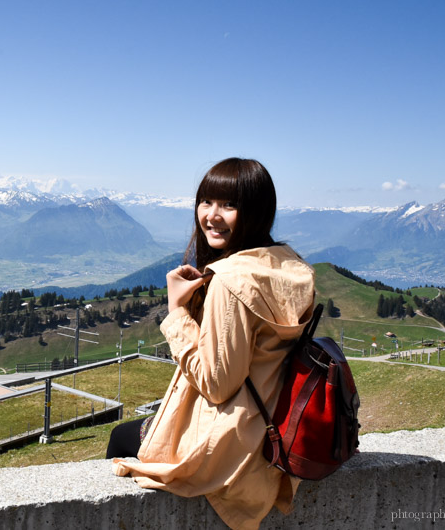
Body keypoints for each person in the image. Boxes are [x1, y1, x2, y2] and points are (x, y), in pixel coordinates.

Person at [110, 158, 315, 530]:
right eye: (206, 201)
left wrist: (176, 311)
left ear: (255, 212)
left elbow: (218, 385)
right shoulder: (289, 266)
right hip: (273, 428)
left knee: (120, 437)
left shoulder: (229, 282)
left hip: (231, 445)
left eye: (229, 205)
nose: (212, 216)